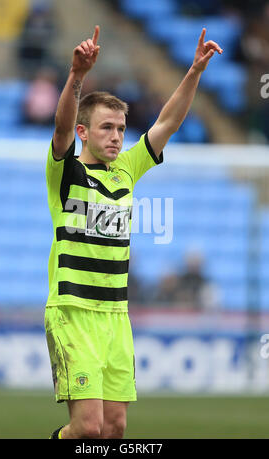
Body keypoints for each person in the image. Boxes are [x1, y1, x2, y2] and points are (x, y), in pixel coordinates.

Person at [45, 25, 222, 439]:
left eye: (121, 128)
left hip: (116, 317)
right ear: (85, 132)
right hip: (74, 313)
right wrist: (77, 76)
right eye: (106, 127)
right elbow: (60, 131)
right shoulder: (67, 173)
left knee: (115, 429)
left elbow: (169, 122)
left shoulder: (127, 168)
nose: (117, 136)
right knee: (87, 429)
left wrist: (194, 71)